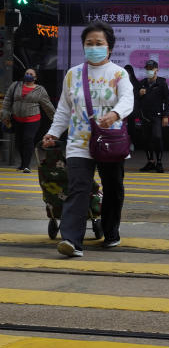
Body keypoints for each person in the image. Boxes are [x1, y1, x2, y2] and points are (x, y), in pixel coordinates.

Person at [41, 22, 134, 257]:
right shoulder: (73, 75)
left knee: (113, 188)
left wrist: (114, 114)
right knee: (78, 188)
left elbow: (127, 100)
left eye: (99, 43)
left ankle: (111, 231)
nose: (94, 47)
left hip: (110, 142)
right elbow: (64, 109)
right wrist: (53, 133)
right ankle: (72, 241)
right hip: (79, 142)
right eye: (89, 44)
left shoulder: (118, 73)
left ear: (109, 47)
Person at [2, 67, 55, 172]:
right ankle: (22, 164)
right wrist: (5, 114)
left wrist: (56, 119)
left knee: (28, 139)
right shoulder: (15, 85)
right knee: (20, 141)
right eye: (27, 73)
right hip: (17, 119)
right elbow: (8, 100)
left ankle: (26, 165)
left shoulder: (40, 90)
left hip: (33, 119)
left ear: (35, 77)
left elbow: (47, 106)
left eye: (31, 74)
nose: (28, 75)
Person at [136, 60, 169, 173]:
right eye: (147, 68)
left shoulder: (162, 83)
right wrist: (139, 95)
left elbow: (167, 101)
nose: (149, 70)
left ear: (157, 69)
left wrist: (165, 115)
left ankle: (159, 162)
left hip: (157, 116)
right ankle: (150, 162)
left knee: (157, 137)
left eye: (151, 68)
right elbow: (136, 100)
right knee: (146, 139)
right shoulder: (142, 83)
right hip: (145, 116)